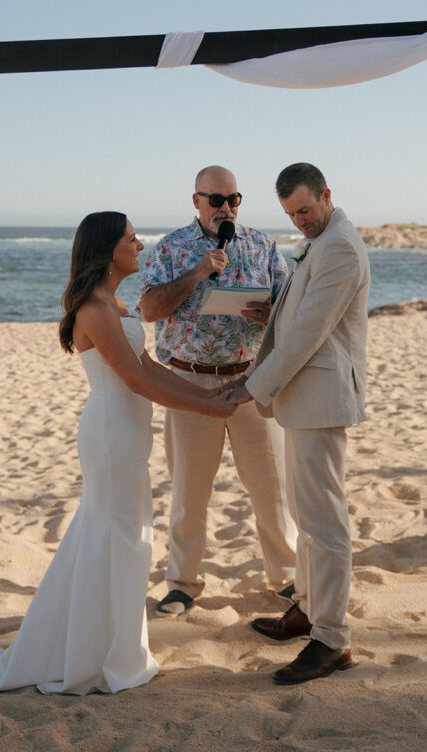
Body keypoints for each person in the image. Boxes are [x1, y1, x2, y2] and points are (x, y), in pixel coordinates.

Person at [0, 211, 234, 696]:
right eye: (132, 240)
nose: (140, 246)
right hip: (110, 432)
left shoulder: (115, 301)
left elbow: (148, 367)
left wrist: (208, 400)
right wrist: (206, 408)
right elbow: (136, 381)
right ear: (108, 250)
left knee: (121, 535)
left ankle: (106, 645)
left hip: (126, 430)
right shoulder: (95, 310)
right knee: (114, 537)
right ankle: (96, 654)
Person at [220, 163, 370, 686]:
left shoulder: (341, 246)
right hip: (304, 399)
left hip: (321, 399)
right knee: (308, 515)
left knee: (324, 523)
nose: (299, 222)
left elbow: (310, 331)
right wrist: (273, 313)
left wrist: (253, 384)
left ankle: (331, 639)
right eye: (290, 215)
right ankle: (306, 608)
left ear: (327, 195)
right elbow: (301, 312)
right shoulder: (323, 240)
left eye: (305, 210)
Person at [139, 166, 297, 617]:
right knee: (190, 491)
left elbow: (290, 313)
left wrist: (267, 314)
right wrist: (196, 272)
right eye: (216, 200)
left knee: (272, 487)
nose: (225, 208)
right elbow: (149, 309)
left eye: (233, 199)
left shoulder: (261, 244)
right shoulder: (170, 248)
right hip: (189, 383)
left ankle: (285, 576)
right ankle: (183, 582)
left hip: (251, 379)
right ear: (196, 201)